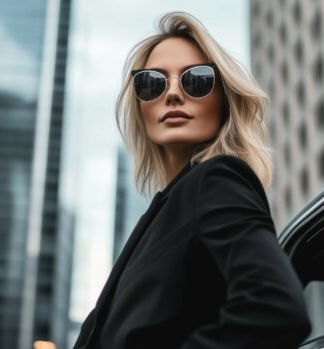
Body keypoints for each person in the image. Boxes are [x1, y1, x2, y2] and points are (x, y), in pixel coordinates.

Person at [74, 12, 311, 349]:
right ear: (140, 105)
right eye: (153, 82)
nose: (171, 94)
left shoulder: (217, 180)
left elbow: (274, 306)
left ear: (224, 100)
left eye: (196, 80)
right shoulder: (161, 212)